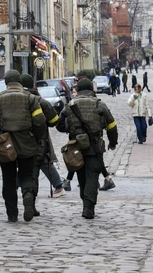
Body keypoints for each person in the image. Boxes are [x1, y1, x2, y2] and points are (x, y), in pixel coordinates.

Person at [0, 70, 45, 223]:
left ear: (6, 82)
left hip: (6, 146)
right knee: (27, 175)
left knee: (8, 179)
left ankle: (12, 214)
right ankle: (28, 194)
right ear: (19, 82)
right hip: (27, 143)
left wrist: (0, 131)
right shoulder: (30, 98)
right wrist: (36, 138)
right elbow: (40, 121)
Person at [57, 78, 118, 219]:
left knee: (81, 176)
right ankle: (88, 207)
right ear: (91, 89)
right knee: (92, 175)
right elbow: (112, 125)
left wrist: (71, 128)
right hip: (95, 147)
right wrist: (113, 142)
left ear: (78, 90)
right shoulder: (99, 104)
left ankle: (85, 203)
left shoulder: (70, 105)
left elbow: (59, 125)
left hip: (76, 147)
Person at [19, 74, 65, 202]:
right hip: (42, 139)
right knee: (44, 162)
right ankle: (58, 186)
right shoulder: (41, 101)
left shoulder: (20, 100)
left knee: (32, 164)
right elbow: (54, 120)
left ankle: (25, 191)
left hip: (23, 139)